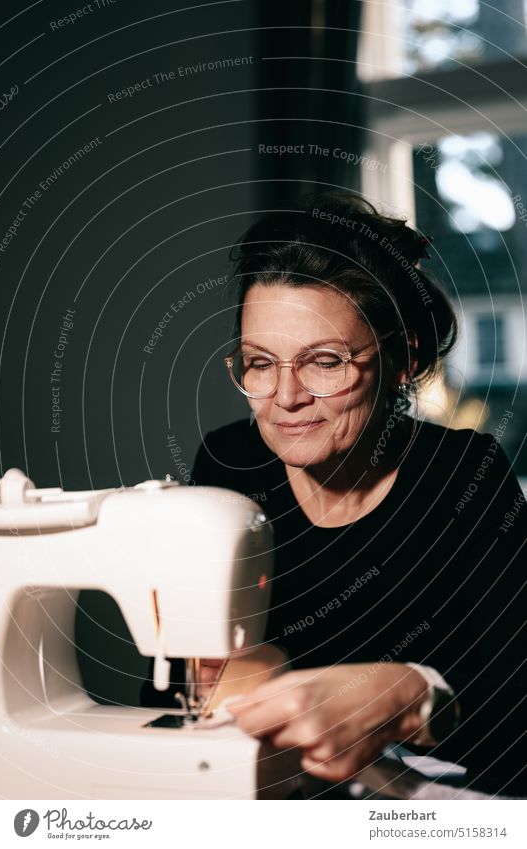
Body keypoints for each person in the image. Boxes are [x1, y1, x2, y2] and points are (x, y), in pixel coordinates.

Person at [186, 190, 527, 796]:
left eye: (324, 361)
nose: (285, 397)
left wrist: (412, 695)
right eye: (260, 363)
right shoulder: (229, 463)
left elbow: (515, 718)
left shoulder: (463, 478)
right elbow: (170, 683)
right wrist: (221, 674)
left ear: (402, 360)